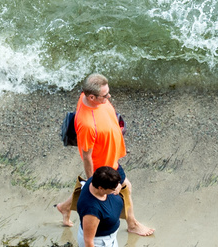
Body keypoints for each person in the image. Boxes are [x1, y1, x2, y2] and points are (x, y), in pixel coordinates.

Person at [54, 74, 154, 237]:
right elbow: (87, 157)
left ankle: (65, 207)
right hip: (105, 164)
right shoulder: (87, 125)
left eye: (108, 92)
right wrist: (93, 181)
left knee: (102, 187)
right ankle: (133, 224)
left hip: (111, 154)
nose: (109, 97)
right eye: (105, 95)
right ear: (91, 97)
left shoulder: (86, 97)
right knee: (125, 187)